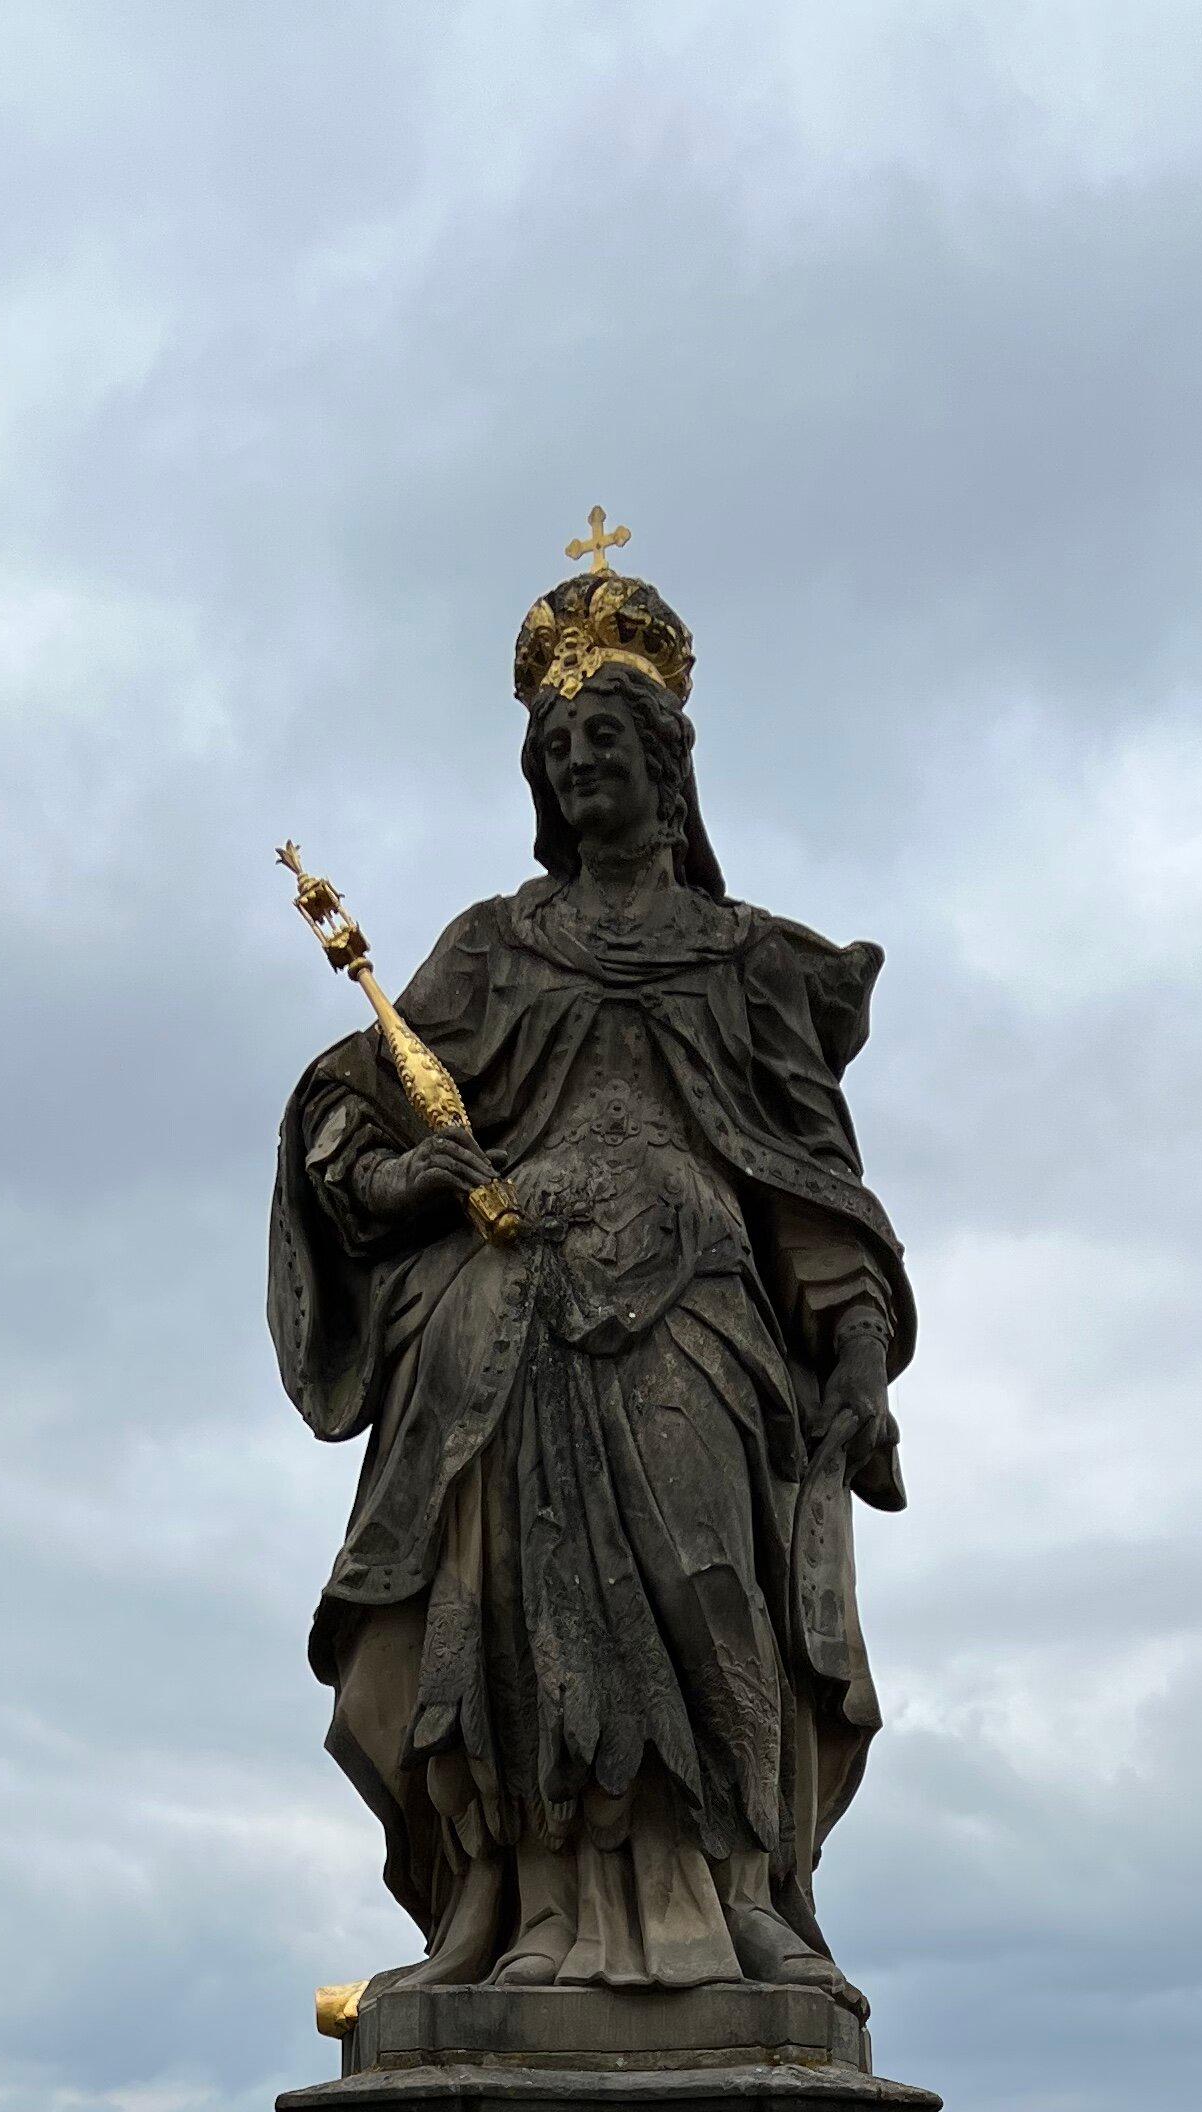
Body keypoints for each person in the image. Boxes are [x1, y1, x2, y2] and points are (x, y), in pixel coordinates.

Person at [271, 549, 905, 2001]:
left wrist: (860, 1357)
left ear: (668, 765)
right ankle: (525, 1910)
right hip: (514, 1320)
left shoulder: (745, 961)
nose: (578, 763)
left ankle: (738, 1899)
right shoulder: (495, 949)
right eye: (557, 747)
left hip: (697, 1304)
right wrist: (409, 1179)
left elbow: (815, 1180)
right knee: (509, 1617)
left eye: (605, 737)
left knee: (713, 1586)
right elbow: (350, 1108)